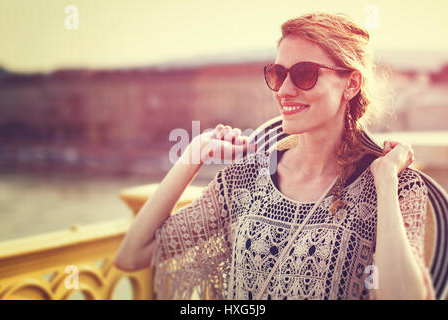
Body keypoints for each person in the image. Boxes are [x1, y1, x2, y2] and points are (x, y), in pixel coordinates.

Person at [113, 12, 435, 300]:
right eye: (278, 74)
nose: (283, 90)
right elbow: (132, 254)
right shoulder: (246, 178)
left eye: (305, 74)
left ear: (350, 84)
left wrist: (386, 181)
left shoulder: (396, 187)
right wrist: (195, 154)